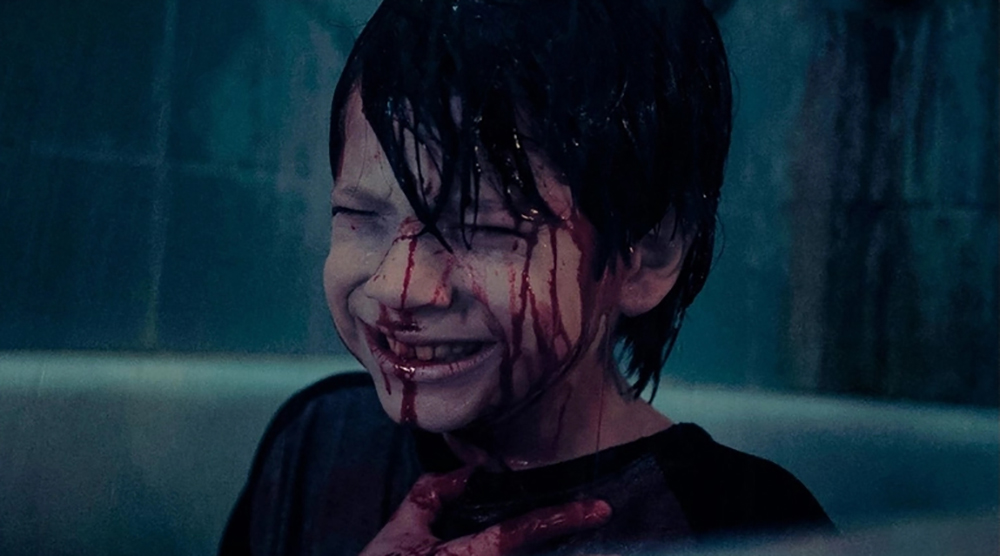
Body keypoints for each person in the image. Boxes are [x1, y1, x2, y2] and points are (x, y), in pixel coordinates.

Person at [220, 0, 834, 554]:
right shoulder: (315, 446)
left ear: (645, 256)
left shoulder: (744, 525)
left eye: (482, 229)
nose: (395, 287)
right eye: (360, 218)